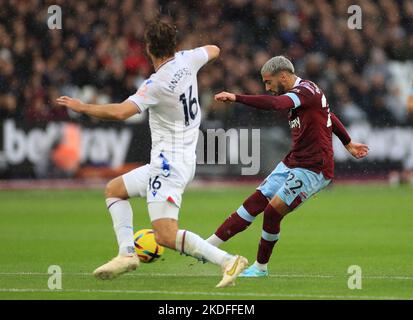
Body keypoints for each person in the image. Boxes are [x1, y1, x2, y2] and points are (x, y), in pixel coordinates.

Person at [57, 20, 248, 288]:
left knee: (165, 236)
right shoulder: (187, 59)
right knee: (114, 190)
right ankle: (126, 254)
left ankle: (228, 260)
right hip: (180, 159)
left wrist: (82, 107)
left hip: (168, 165)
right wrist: (196, 54)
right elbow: (214, 49)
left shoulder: (157, 84)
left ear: (148, 48)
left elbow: (122, 112)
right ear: (174, 45)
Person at [206, 56, 369, 277]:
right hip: (294, 159)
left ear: (283, 76)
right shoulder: (308, 92)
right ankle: (207, 247)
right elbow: (328, 115)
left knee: (272, 211)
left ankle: (261, 267)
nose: (268, 87)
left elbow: (275, 104)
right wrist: (348, 142)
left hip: (314, 167)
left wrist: (236, 97)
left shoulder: (304, 92)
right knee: (255, 202)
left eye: (269, 82)